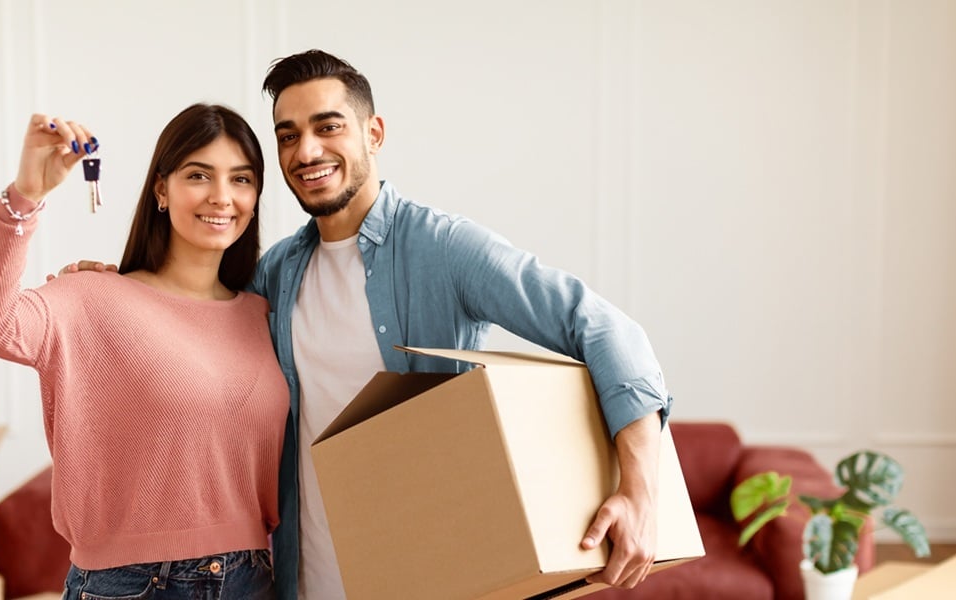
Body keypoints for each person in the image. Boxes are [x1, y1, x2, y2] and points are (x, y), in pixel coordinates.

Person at [65, 50, 672, 600]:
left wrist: (640, 488)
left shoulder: (443, 250)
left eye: (327, 127)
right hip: (302, 580)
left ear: (373, 133)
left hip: (429, 572)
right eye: (288, 136)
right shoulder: (277, 273)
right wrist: (122, 288)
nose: (306, 152)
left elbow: (602, 329)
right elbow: (194, 322)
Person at [0, 104, 288, 599]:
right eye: (199, 175)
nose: (221, 196)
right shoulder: (92, 298)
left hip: (251, 581)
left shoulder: (263, 314)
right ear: (161, 190)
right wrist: (25, 196)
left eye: (241, 179)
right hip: (135, 586)